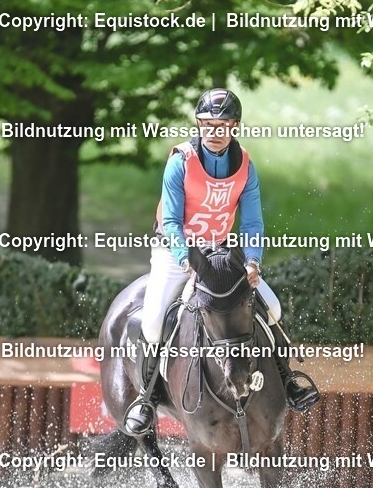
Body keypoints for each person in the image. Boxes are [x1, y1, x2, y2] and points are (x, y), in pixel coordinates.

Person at [124, 88, 320, 436]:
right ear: (198, 124)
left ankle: (289, 381)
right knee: (153, 321)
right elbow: (170, 221)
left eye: (222, 125)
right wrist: (185, 256)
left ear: (235, 126)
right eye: (207, 124)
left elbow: (252, 223)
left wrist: (253, 261)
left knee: (271, 307)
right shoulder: (180, 161)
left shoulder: (245, 164)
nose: (214, 132)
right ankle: (146, 397)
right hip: (175, 253)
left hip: (221, 252)